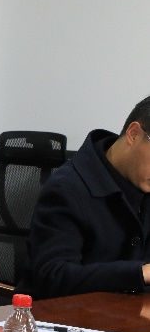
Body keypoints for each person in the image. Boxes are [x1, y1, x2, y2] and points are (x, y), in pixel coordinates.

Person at [18, 96, 150, 299]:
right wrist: (139, 273)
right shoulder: (66, 189)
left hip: (129, 313)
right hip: (61, 314)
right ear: (134, 134)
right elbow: (53, 276)